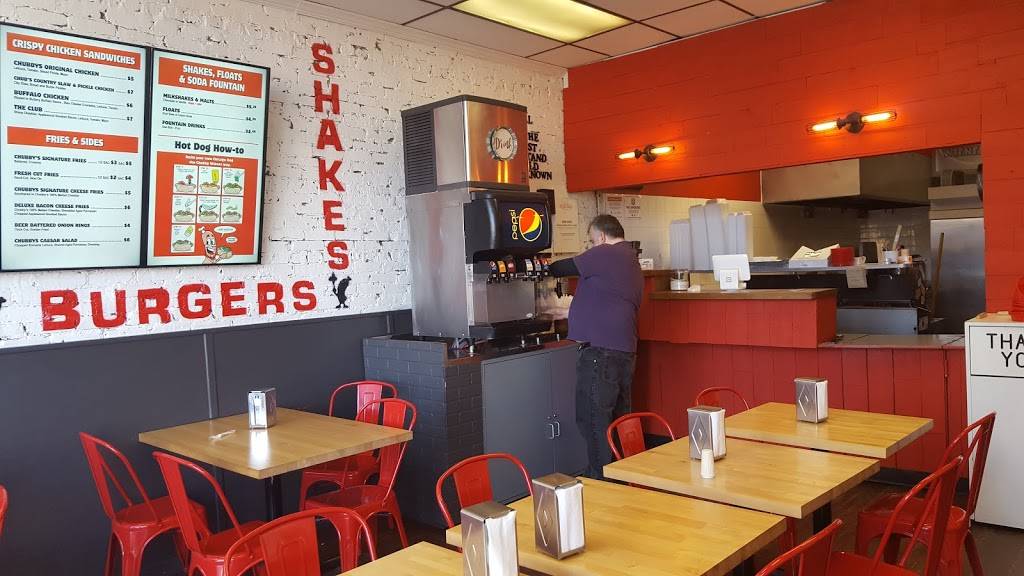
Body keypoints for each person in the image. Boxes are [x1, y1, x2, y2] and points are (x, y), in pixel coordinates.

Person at [550, 214, 643, 478]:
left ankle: (599, 481)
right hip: (623, 351)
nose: (591, 247)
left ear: (601, 237)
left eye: (591, 241)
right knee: (617, 419)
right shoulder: (630, 257)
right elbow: (609, 298)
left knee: (594, 419)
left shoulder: (607, 252)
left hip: (601, 354)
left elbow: (559, 268)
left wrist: (535, 264)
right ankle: (621, 478)